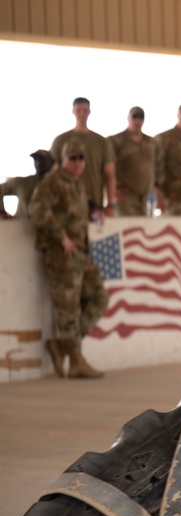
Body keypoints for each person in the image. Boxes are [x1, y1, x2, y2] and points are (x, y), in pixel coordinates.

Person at [28, 138, 108, 379]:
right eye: (72, 158)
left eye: (81, 158)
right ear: (63, 160)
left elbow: (76, 212)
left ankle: (63, 346)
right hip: (61, 255)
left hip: (81, 253)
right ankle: (74, 360)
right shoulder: (53, 182)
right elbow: (37, 209)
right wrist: (61, 236)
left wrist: (95, 212)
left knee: (99, 298)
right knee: (69, 308)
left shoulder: (77, 184)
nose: (77, 163)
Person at [49, 97, 117, 221]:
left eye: (84, 110)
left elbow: (109, 174)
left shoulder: (101, 142)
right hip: (66, 204)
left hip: (94, 204)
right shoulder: (60, 141)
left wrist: (111, 204)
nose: (81, 114)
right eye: (78, 110)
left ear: (89, 112)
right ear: (73, 111)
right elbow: (53, 172)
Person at [109, 106, 160, 216]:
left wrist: (156, 186)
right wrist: (113, 190)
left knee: (147, 229)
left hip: (147, 197)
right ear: (128, 118)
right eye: (134, 117)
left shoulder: (151, 143)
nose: (138, 121)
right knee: (128, 229)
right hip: (126, 197)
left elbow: (158, 166)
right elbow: (108, 167)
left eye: (141, 117)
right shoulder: (116, 141)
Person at [0, 149, 54, 220]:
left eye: (42, 160)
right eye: (36, 159)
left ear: (51, 162)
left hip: (49, 227)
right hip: (21, 227)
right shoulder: (22, 182)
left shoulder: (58, 184)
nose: (38, 162)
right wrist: (2, 212)